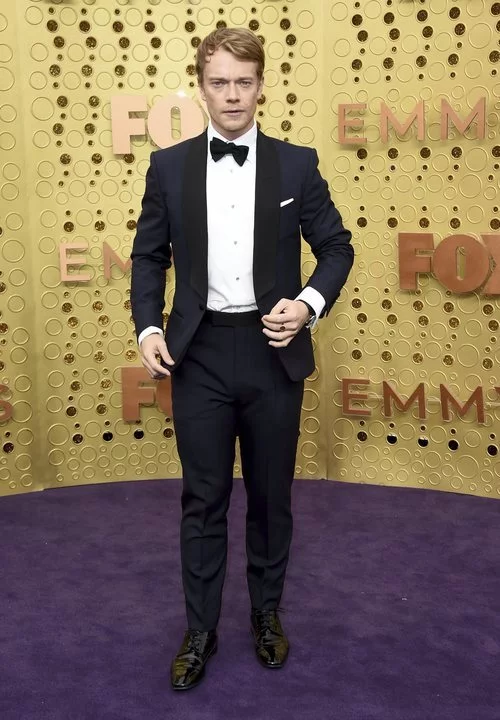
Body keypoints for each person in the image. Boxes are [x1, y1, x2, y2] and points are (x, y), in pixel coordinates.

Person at [130, 27, 353, 691]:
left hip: (271, 351)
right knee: (202, 498)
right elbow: (148, 256)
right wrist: (148, 327)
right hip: (198, 355)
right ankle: (199, 631)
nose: (232, 94)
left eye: (243, 82)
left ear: (261, 86)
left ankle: (265, 614)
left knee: (270, 496)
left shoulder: (298, 165)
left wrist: (308, 304)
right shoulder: (168, 168)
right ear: (201, 88)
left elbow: (337, 247)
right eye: (219, 82)